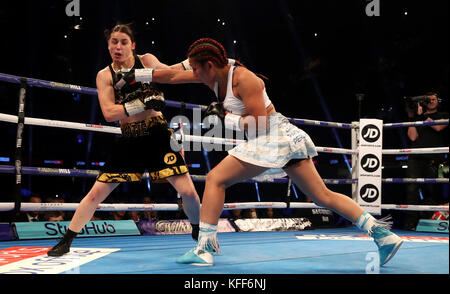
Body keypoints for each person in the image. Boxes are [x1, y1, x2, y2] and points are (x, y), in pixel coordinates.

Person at [117, 38, 404, 267]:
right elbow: (170, 74)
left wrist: (225, 118)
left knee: (216, 179)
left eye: (196, 69)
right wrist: (135, 73)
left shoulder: (246, 80)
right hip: (273, 137)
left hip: (271, 135)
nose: (193, 74)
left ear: (208, 65)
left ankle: (204, 249)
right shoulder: (209, 70)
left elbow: (260, 124)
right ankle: (383, 234)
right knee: (322, 196)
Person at [47, 24, 202, 256]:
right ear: (108, 45)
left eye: (123, 42)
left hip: (158, 134)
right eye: (113, 42)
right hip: (129, 138)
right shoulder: (104, 75)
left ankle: (199, 231)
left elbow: (170, 74)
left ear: (132, 45)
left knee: (188, 191)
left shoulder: (146, 61)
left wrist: (206, 67)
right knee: (95, 194)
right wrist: (142, 104)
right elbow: (109, 113)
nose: (117, 47)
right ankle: (67, 240)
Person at [404, 92, 448, 230]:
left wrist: (423, 116)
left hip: (432, 159)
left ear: (438, 101)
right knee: (411, 189)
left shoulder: (443, 115)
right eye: (428, 99)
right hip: (415, 158)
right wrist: (415, 117)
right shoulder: (419, 117)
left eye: (433, 99)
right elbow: (412, 137)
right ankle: (411, 222)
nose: (431, 101)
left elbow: (438, 127)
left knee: (431, 191)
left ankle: (428, 222)